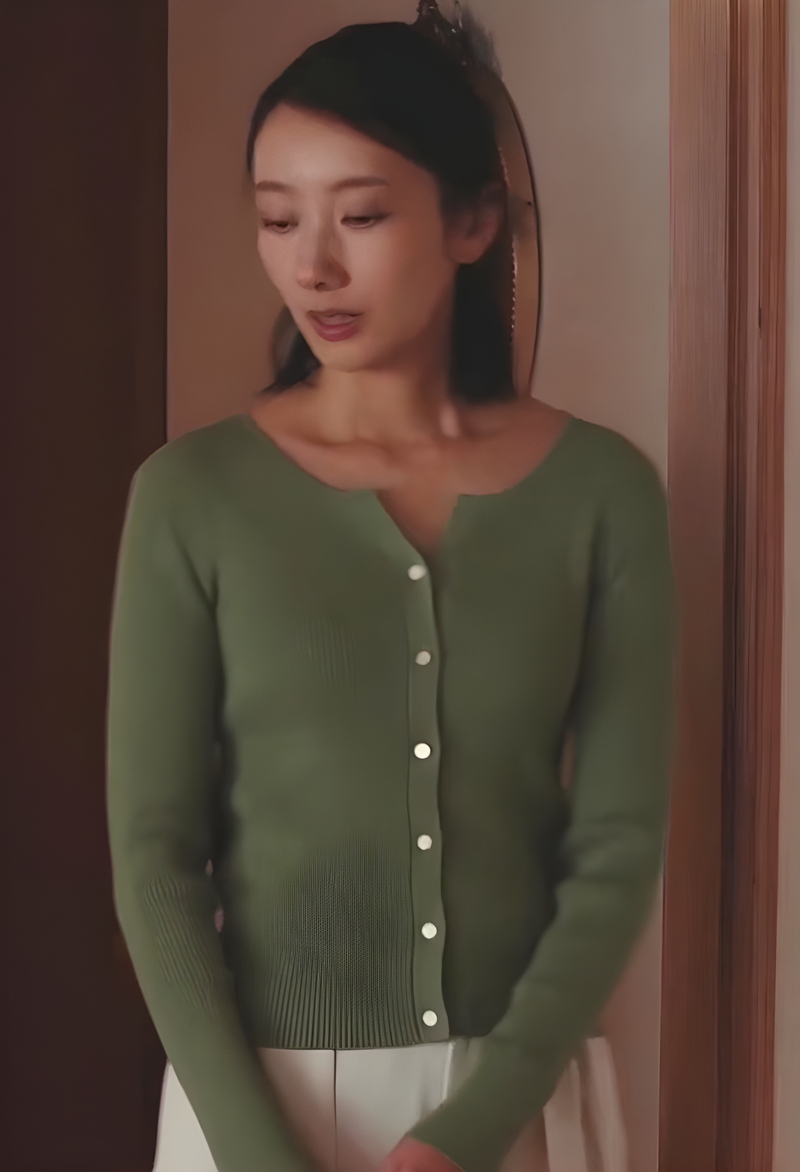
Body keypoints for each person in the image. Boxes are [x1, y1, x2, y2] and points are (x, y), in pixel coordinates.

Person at [106, 11, 677, 1172]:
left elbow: (615, 846)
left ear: (472, 222)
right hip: (253, 1107)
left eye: (360, 216)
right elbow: (153, 860)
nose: (311, 265)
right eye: (278, 218)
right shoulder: (189, 496)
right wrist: (257, 1154)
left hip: (516, 1106)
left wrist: (470, 1130)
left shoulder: (602, 492)